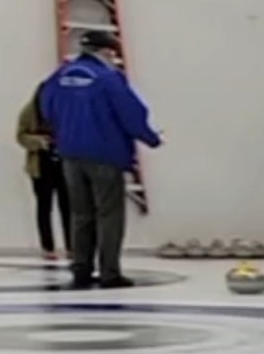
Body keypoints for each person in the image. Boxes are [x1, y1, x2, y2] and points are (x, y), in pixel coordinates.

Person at [38, 30, 161, 290]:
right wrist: (151, 138)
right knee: (109, 214)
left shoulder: (59, 77)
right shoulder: (109, 79)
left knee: (80, 214)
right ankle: (109, 272)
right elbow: (131, 114)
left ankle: (81, 269)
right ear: (106, 51)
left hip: (70, 154)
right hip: (105, 154)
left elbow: (46, 107)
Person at [15, 91, 70, 261]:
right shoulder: (28, 111)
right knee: (44, 207)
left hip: (64, 164)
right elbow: (20, 136)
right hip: (40, 165)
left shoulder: (66, 109)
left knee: (68, 206)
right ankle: (48, 247)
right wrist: (39, 142)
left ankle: (72, 246)